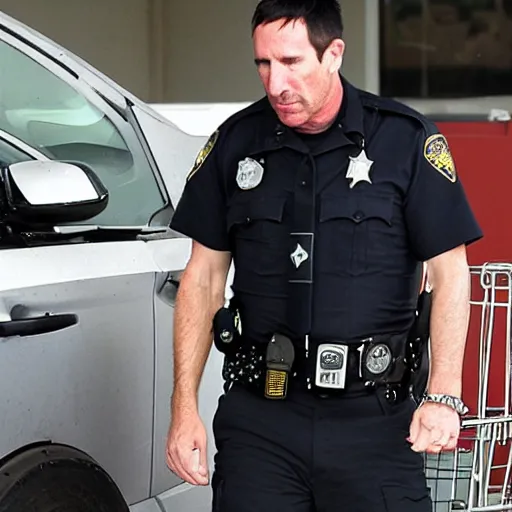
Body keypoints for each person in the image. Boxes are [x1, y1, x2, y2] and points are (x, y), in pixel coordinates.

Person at [165, 0, 483, 510]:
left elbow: (451, 275)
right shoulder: (234, 143)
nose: (275, 84)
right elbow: (201, 278)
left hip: (375, 423)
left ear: (333, 54)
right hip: (261, 422)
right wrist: (183, 407)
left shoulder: (405, 141)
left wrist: (443, 396)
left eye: (291, 63)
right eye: (263, 64)